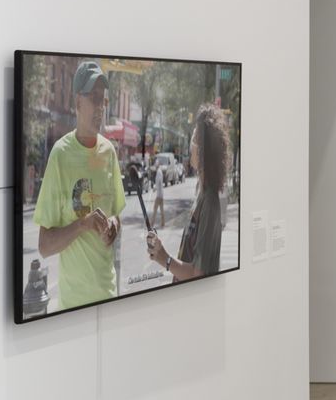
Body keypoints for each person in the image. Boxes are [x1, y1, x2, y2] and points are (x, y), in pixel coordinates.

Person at [33, 60, 125, 311]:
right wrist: (83, 224)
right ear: (77, 103)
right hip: (74, 307)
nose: (100, 107)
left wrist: (114, 226)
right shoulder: (60, 155)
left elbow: (117, 214)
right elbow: (44, 246)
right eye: (93, 98)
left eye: (103, 100)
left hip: (109, 296)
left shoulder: (109, 152)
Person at [145, 103, 231, 281]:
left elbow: (197, 273)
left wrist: (164, 258)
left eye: (194, 139)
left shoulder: (210, 201)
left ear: (203, 150)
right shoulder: (201, 191)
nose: (190, 146)